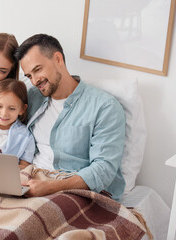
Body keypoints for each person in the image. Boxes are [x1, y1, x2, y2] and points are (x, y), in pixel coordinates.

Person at [13, 34, 126, 201]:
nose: (35, 80)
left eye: (37, 70)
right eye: (29, 76)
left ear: (58, 58)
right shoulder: (32, 97)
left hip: (72, 191)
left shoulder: (104, 107)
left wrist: (50, 187)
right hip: (31, 181)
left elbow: (103, 170)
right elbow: (3, 124)